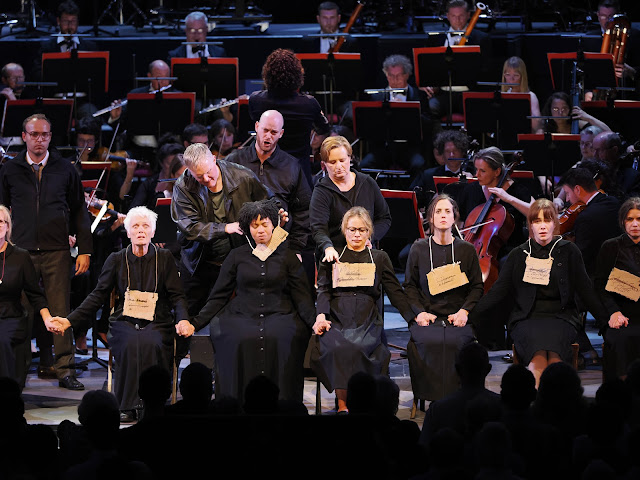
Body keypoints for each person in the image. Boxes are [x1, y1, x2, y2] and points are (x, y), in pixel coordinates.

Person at [55, 206, 191, 422]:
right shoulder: (116, 259)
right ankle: (127, 404)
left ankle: (152, 404)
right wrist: (70, 321)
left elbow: (177, 296)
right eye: (135, 226)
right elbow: (97, 295)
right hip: (124, 320)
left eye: (146, 226)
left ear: (153, 232)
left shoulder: (164, 259)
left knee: (152, 342)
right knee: (129, 342)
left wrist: (183, 319)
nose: (140, 230)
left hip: (157, 320)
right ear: (127, 232)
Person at [178, 199, 316, 404]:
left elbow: (302, 297)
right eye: (254, 225)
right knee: (236, 336)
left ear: (274, 225)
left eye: (265, 224)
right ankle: (234, 402)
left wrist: (315, 321)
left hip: (280, 313)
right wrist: (195, 322)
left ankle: (283, 403)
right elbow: (219, 296)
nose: (260, 230)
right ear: (247, 228)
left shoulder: (288, 257)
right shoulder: (236, 256)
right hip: (241, 314)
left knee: (283, 336)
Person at [471, 199, 607, 387]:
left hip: (562, 318)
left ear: (555, 224)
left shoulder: (569, 251)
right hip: (527, 319)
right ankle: (538, 405)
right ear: (530, 226)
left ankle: (556, 406)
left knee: (556, 361)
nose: (542, 226)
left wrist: (607, 320)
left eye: (547, 220)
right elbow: (497, 292)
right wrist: (469, 314)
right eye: (537, 221)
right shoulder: (519, 254)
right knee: (538, 360)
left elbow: (586, 290)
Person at [0, 113, 92, 390]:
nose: (40, 139)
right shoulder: (9, 169)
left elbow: (79, 210)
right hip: (21, 252)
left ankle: (65, 370)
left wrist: (85, 250)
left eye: (45, 134)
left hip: (56, 251)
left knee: (60, 310)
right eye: (34, 134)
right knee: (23, 312)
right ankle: (19, 370)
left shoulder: (66, 169)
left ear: (51, 137)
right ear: (24, 136)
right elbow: (2, 211)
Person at [310, 207, 415, 413]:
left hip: (367, 318)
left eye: (362, 229)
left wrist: (414, 316)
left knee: (359, 348)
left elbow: (395, 292)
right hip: (338, 316)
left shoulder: (379, 258)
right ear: (344, 231)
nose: (356, 234)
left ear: (369, 232)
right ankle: (342, 404)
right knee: (338, 348)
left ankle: (363, 402)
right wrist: (321, 315)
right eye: (351, 229)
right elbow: (323, 289)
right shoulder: (333, 257)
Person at [170, 142, 271, 317]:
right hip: (198, 262)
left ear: (215, 159)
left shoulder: (241, 176)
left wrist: (276, 215)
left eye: (210, 173)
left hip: (235, 260)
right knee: (190, 314)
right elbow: (190, 227)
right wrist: (225, 228)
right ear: (190, 171)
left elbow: (268, 202)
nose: (208, 180)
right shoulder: (183, 187)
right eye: (200, 177)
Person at [403, 194, 484, 402]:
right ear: (430, 217)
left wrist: (464, 311)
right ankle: (431, 396)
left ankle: (459, 397)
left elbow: (477, 287)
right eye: (438, 211)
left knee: (457, 343)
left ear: (455, 217)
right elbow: (410, 286)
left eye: (448, 211)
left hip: (458, 316)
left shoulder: (466, 249)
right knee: (427, 343)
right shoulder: (419, 248)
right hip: (428, 316)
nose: (443, 216)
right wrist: (419, 313)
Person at [226, 110, 311, 259]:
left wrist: (296, 248)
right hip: (239, 245)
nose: (268, 136)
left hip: (279, 245)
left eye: (274, 132)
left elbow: (303, 211)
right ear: (257, 126)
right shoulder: (234, 160)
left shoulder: (291, 166)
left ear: (281, 133)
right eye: (265, 130)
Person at [248, 48, 330, 187]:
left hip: (267, 176)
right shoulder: (309, 103)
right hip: (300, 175)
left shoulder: (256, 100)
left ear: (267, 75)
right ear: (298, 75)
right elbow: (324, 128)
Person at [0, 205, 60, 387]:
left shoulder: (20, 256)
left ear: (8, 227)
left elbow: (35, 294)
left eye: (1, 221)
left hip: (11, 317)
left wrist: (47, 318)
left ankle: (6, 396)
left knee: (1, 340)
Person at [310, 135, 392, 263]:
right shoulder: (322, 190)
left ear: (350, 158)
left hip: (366, 254)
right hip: (335, 256)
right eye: (332, 162)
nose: (338, 166)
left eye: (342, 160)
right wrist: (328, 247)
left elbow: (384, 218)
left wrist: (368, 238)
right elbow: (318, 228)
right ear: (323, 165)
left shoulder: (367, 183)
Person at [359, 54, 436, 176]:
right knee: (364, 166)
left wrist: (407, 112)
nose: (394, 80)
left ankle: (413, 194)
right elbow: (369, 127)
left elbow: (429, 123)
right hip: (385, 148)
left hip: (409, 148)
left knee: (419, 165)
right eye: (390, 75)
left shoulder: (419, 95)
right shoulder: (376, 96)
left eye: (398, 76)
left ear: (406, 75)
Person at [595, 198, 640, 380]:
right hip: (620, 315)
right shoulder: (611, 246)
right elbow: (599, 285)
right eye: (630, 219)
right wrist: (614, 312)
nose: (635, 224)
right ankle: (621, 390)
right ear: (623, 222)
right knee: (620, 340)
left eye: (639, 219)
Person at [424, 0, 492, 118]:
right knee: (429, 109)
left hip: (469, 93)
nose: (458, 20)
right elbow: (427, 68)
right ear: (448, 16)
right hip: (443, 94)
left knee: (476, 112)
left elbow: (486, 69)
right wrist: (427, 84)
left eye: (461, 16)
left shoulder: (481, 39)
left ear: (468, 15)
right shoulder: (435, 39)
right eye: (454, 16)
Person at [410, 129, 472, 208]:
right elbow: (412, 198)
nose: (451, 155)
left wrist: (471, 184)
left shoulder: (473, 174)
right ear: (442, 154)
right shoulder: (428, 175)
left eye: (455, 151)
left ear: (463, 152)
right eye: (447, 151)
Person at [593, 131, 640, 198]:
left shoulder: (632, 177)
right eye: (594, 150)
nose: (595, 155)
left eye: (600, 150)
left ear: (614, 150)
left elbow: (630, 205)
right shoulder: (591, 173)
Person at [501, 56, 541, 133]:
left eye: (516, 75)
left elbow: (536, 126)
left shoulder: (531, 96)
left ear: (522, 77)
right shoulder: (502, 96)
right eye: (508, 75)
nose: (511, 79)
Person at [538, 91, 610, 134]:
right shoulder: (544, 130)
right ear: (549, 110)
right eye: (556, 109)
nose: (560, 113)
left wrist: (588, 117)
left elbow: (609, 133)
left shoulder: (578, 125)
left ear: (570, 109)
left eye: (564, 109)